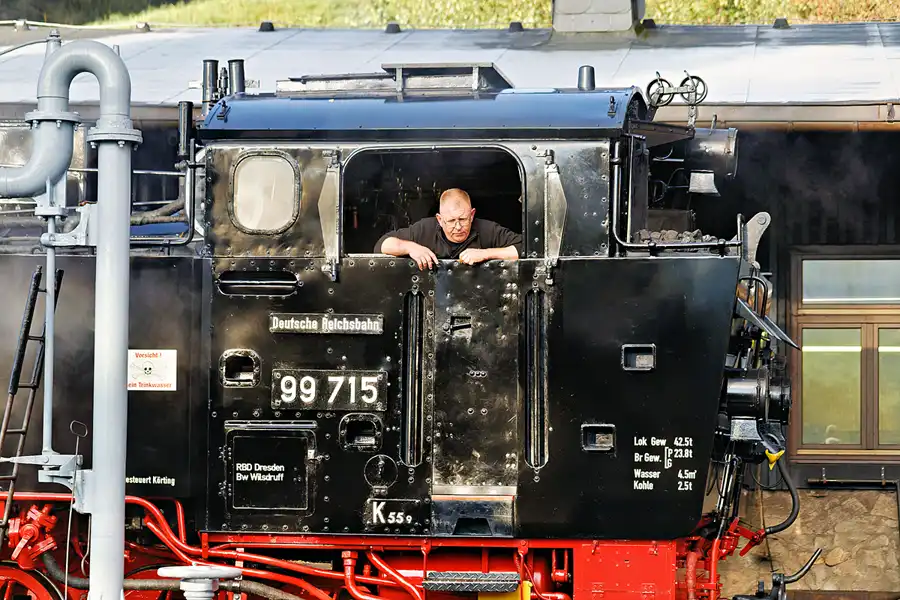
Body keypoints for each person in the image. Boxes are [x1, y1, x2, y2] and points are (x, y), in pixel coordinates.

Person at [374, 188, 523, 271]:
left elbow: (524, 248)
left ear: (472, 215)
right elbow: (382, 245)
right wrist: (410, 247)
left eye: (463, 219)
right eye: (451, 221)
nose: (458, 227)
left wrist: (486, 254)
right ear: (440, 219)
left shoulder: (488, 230)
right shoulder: (424, 229)